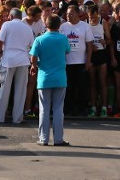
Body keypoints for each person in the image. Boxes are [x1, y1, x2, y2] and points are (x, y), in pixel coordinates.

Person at [30, 14, 71, 146]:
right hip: (60, 77)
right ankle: (58, 138)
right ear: (59, 25)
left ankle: (43, 138)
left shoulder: (39, 39)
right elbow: (67, 51)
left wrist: (34, 66)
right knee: (59, 109)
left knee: (44, 109)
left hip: (44, 77)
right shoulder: (63, 39)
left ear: (46, 24)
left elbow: (33, 57)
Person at [0, 8, 34, 124]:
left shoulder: (7, 25)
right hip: (23, 60)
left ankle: (0, 117)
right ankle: (18, 118)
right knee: (21, 90)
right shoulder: (28, 28)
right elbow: (32, 46)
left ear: (10, 16)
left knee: (4, 90)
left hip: (8, 60)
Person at [59, 5, 94, 116]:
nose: (68, 16)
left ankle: (82, 108)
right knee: (69, 87)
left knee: (82, 87)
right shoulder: (63, 26)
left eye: (71, 14)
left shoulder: (85, 26)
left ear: (78, 14)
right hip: (67, 62)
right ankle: (68, 108)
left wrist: (88, 61)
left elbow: (89, 45)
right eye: (67, 14)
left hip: (81, 62)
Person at [87, 4, 110, 117]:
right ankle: (93, 107)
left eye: (94, 17)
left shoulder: (103, 22)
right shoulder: (85, 23)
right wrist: (90, 46)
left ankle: (104, 107)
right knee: (92, 83)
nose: (92, 19)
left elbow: (110, 39)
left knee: (102, 81)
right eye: (90, 17)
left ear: (98, 14)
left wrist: (104, 41)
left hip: (101, 54)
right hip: (91, 54)